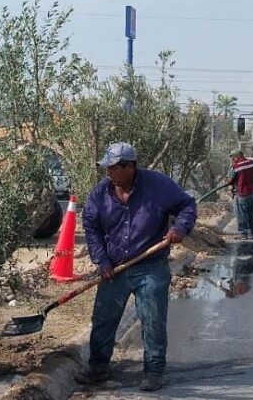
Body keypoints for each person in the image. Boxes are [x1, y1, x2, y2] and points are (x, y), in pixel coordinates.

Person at [77, 142, 197, 392]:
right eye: (107, 168)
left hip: (150, 266)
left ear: (129, 167)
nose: (108, 173)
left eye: (113, 168)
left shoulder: (158, 185)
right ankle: (98, 369)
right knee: (103, 319)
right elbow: (91, 226)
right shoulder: (100, 193)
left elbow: (187, 205)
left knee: (152, 319)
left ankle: (154, 372)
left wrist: (179, 228)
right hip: (115, 268)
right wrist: (102, 260)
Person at [227, 150, 253, 240]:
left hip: (242, 193)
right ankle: (252, 233)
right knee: (252, 213)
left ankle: (243, 234)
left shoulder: (236, 167)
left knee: (241, 213)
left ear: (237, 157)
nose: (232, 159)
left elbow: (229, 181)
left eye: (233, 157)